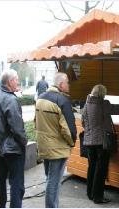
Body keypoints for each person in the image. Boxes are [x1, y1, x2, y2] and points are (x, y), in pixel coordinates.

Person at [82, 85, 119, 204]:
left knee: (92, 167)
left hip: (89, 141)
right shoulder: (104, 104)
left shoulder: (87, 104)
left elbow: (83, 122)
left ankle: (90, 193)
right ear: (103, 94)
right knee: (101, 170)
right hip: (102, 142)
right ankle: (98, 196)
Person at [35, 72, 77, 208]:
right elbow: (69, 130)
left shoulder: (40, 98)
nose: (69, 85)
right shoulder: (62, 101)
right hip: (58, 149)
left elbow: (36, 123)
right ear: (61, 84)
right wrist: (72, 143)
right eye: (68, 83)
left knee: (49, 179)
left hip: (44, 146)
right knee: (54, 182)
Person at [0, 69, 28, 208]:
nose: (18, 81)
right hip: (12, 149)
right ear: (10, 81)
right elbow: (17, 127)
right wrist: (23, 142)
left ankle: (0, 207)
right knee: (16, 184)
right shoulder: (11, 99)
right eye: (17, 79)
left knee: (1, 181)